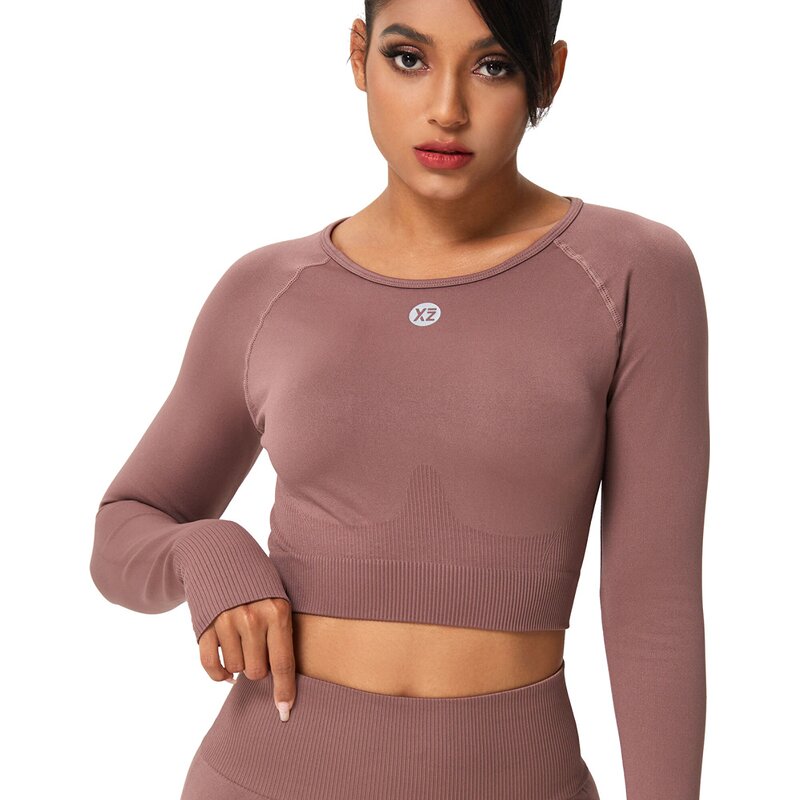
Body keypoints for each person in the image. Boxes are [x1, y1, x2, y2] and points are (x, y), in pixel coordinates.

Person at [89, 1, 710, 798]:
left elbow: (652, 606)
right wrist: (206, 550)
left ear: (549, 76)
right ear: (359, 55)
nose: (447, 109)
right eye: (409, 58)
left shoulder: (630, 272)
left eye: (493, 65)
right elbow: (123, 529)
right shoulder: (268, 289)